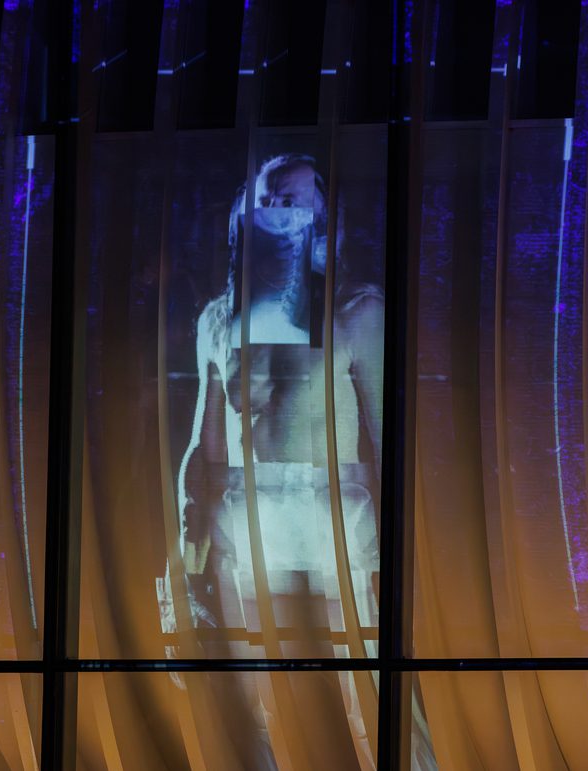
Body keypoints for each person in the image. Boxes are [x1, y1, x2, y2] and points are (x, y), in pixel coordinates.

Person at [160, 153, 384, 768]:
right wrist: (188, 543)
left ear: (324, 215)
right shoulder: (219, 319)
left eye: (298, 201)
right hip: (247, 511)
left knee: (356, 685)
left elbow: (385, 434)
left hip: (333, 508)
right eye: (272, 201)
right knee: (253, 692)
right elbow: (204, 440)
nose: (285, 213)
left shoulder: (357, 310)